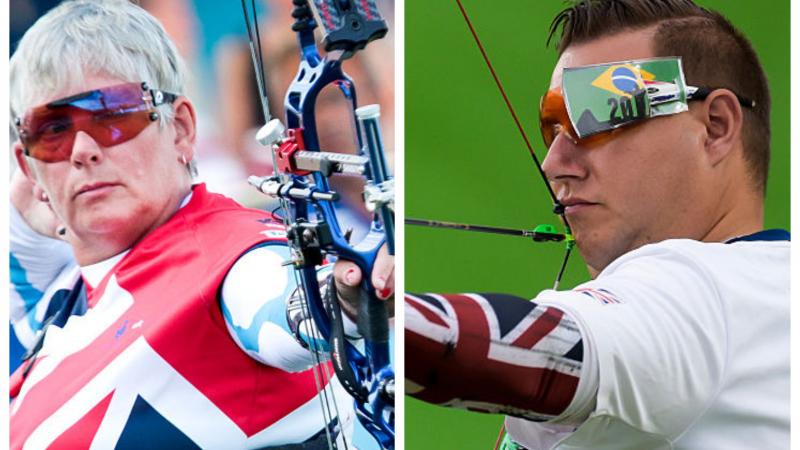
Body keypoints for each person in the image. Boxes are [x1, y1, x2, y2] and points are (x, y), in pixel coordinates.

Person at [405, 1, 789, 449]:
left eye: (597, 116)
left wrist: (381, 313)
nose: (554, 163)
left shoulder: (706, 294)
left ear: (716, 126)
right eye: (552, 128)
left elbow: (548, 352)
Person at [9, 1, 392, 448]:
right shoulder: (58, 294)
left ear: (181, 130)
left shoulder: (228, 259)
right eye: (53, 129)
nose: (83, 150)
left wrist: (345, 296)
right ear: (28, 166)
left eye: (113, 115)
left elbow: (285, 306)